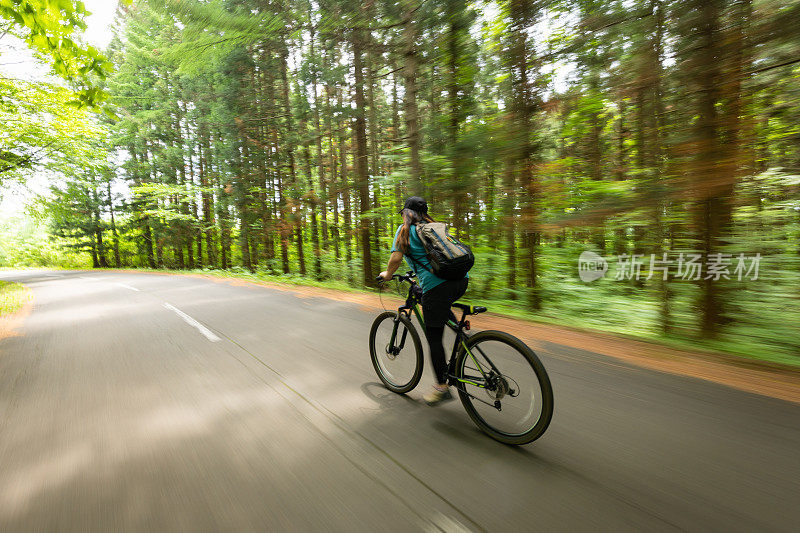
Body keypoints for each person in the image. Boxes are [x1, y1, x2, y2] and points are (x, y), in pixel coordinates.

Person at [378, 196, 469, 406]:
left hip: (438, 286)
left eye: (403, 212)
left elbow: (396, 258)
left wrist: (388, 275)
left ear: (406, 213)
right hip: (460, 281)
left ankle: (442, 387)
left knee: (434, 337)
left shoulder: (405, 230)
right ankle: (462, 335)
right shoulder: (434, 228)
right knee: (435, 302)